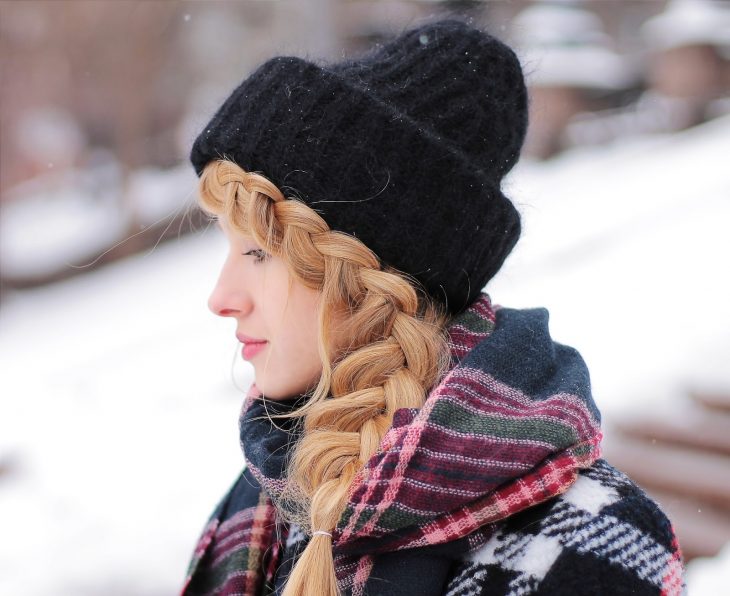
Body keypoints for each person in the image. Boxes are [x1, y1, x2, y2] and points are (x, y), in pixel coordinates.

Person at [181, 19, 685, 596]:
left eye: (258, 253)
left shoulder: (590, 544)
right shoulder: (263, 503)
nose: (221, 298)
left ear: (372, 274)